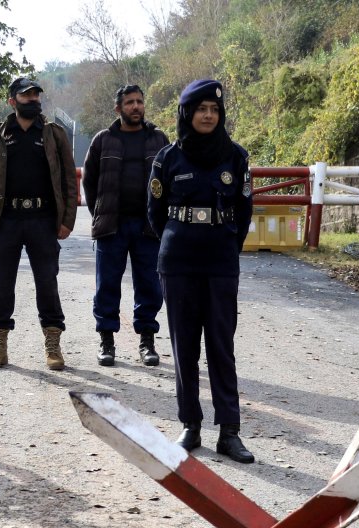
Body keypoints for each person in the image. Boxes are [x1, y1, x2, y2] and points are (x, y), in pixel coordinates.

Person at [146, 79, 255, 463]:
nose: (208, 116)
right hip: (178, 263)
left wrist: (224, 243)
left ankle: (230, 432)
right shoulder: (167, 159)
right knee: (184, 347)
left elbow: (244, 213)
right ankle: (190, 425)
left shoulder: (236, 158)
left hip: (221, 262)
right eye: (201, 109)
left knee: (221, 348)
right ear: (187, 113)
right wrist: (179, 239)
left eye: (214, 110)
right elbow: (155, 215)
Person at [0, 76, 78, 371]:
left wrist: (67, 219)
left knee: (47, 283)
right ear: (12, 101)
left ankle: (53, 346)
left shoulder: (54, 134)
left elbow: (70, 179)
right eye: (26, 96)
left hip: (43, 220)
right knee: (2, 284)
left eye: (36, 96)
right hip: (6, 221)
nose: (33, 100)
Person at [82, 84, 169, 367]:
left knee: (150, 286)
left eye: (139, 102)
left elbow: (169, 179)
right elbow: (89, 181)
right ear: (118, 108)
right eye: (130, 102)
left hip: (149, 227)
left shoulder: (158, 139)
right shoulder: (102, 140)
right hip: (112, 227)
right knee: (106, 286)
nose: (136, 107)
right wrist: (100, 212)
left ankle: (147, 342)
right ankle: (106, 341)